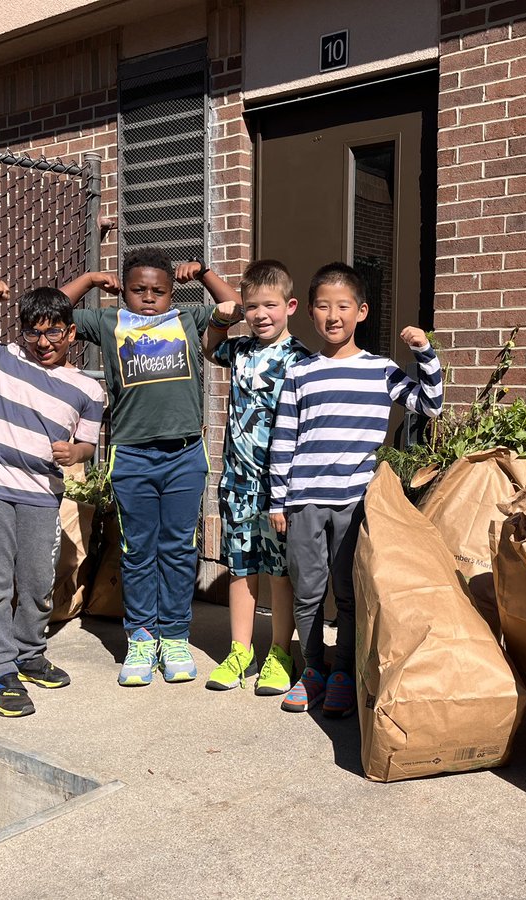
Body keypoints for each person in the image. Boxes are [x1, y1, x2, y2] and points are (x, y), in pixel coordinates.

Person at [269, 262, 443, 718]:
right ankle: (313, 671)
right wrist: (277, 500)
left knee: (348, 592)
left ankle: (344, 670)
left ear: (361, 312)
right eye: (323, 306)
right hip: (304, 499)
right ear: (309, 312)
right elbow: (284, 437)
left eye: (343, 306)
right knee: (308, 591)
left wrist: (424, 351)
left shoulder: (381, 370)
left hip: (355, 500)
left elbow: (430, 404)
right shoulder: (299, 373)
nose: (333, 315)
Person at [0, 278, 105, 717]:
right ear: (21, 331)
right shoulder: (0, 357)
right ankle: (1, 673)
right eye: (34, 332)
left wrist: (77, 451)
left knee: (35, 580)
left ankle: (29, 652)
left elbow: (87, 444)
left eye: (54, 332)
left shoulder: (88, 390)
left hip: (41, 494)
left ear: (71, 332)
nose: (43, 342)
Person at [63, 249, 224, 687]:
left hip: (185, 456)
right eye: (138, 290)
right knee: (137, 552)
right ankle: (140, 638)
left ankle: (173, 637)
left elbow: (234, 309)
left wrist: (206, 274)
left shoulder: (189, 319)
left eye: (158, 291)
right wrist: (92, 280)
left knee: (177, 549)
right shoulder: (110, 322)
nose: (148, 298)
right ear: (125, 290)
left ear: (172, 293)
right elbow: (55, 310)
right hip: (133, 456)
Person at [195, 260, 311, 695]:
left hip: (278, 486)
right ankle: (239, 650)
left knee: (280, 571)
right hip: (237, 482)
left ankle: (281, 651)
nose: (261, 314)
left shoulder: (300, 359)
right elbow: (211, 347)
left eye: (270, 305)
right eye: (252, 306)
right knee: (241, 568)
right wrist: (219, 320)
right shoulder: (239, 348)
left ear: (290, 306)